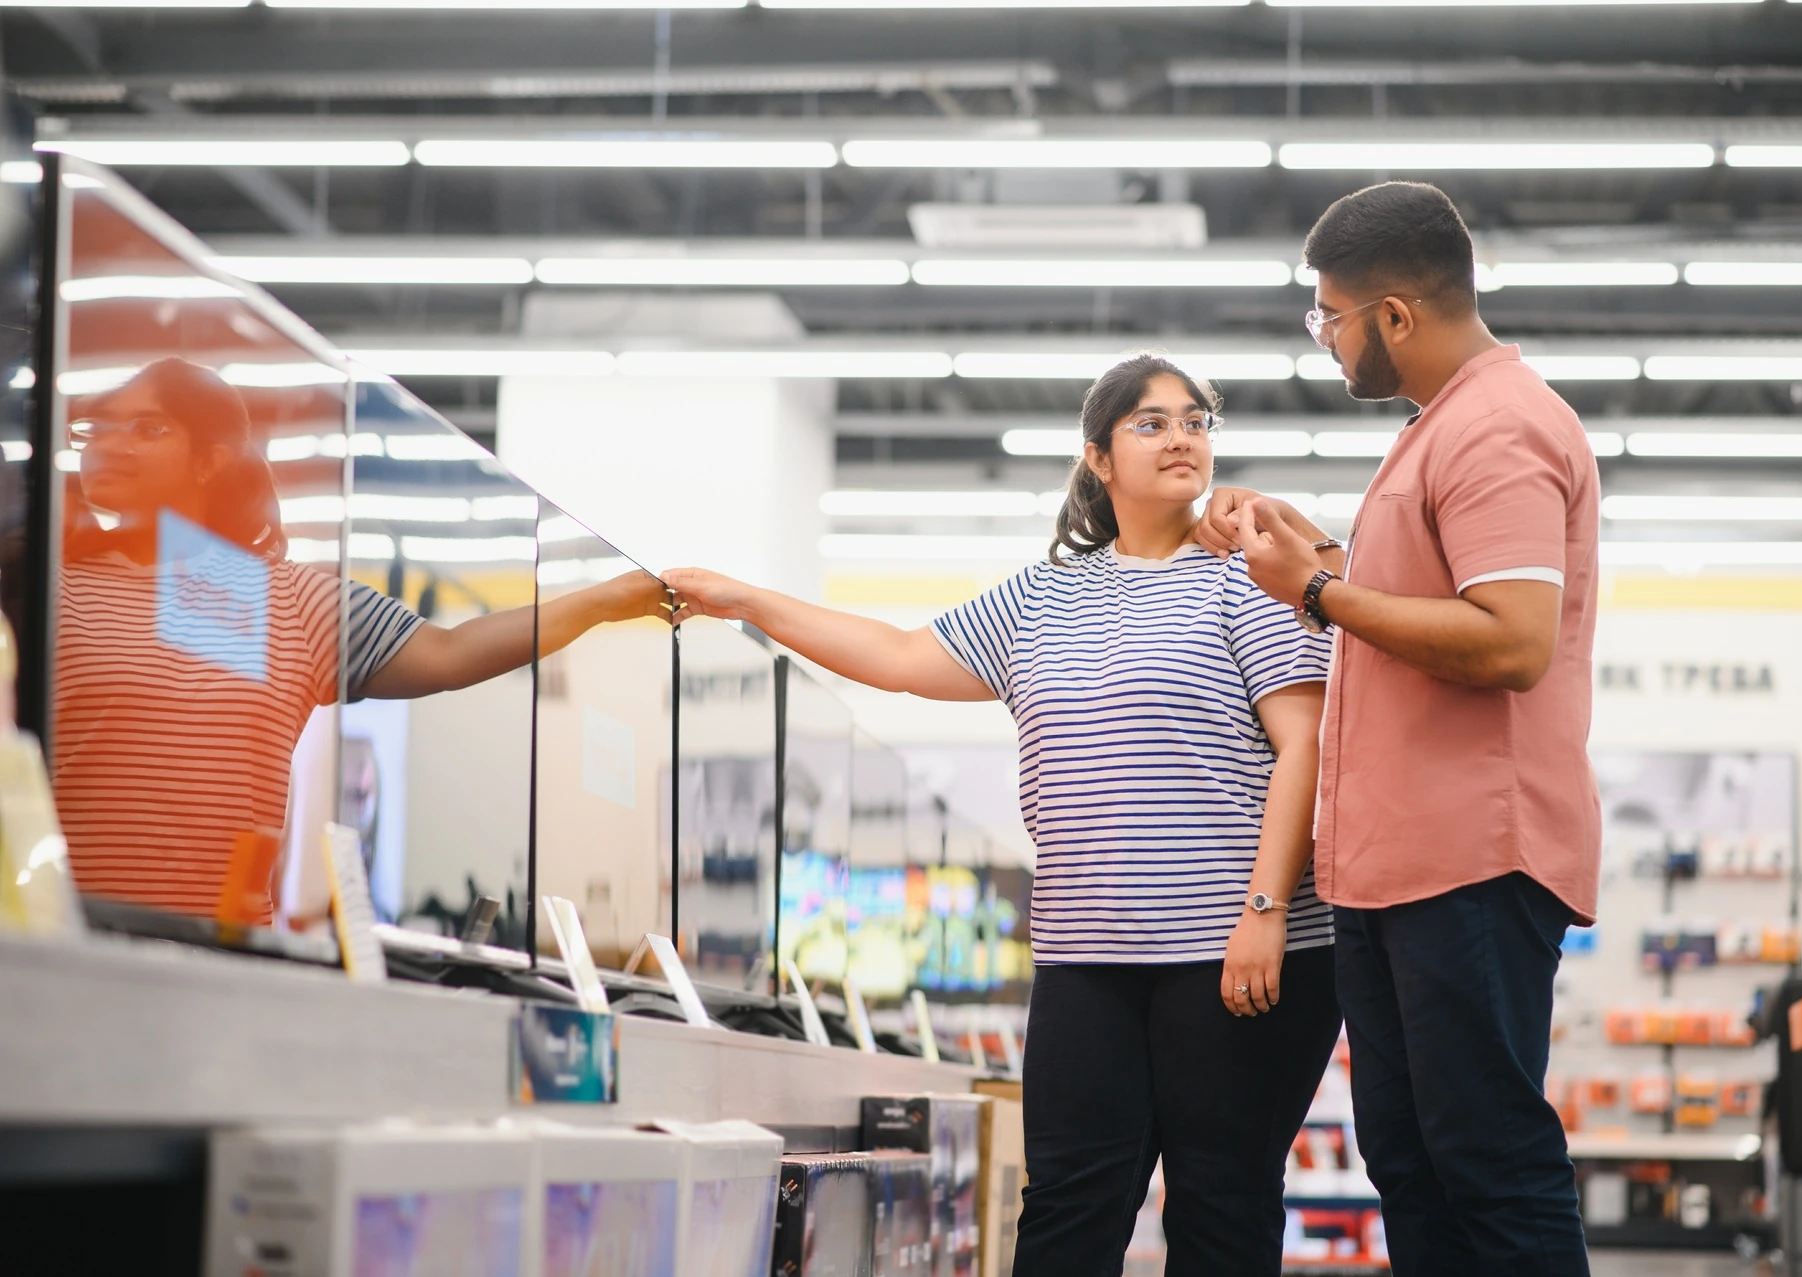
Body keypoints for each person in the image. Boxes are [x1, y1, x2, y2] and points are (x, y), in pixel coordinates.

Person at [664, 354, 1342, 1276]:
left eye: (1195, 420)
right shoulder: (1042, 596)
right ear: (1099, 457)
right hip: (1085, 951)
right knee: (1067, 1200)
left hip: (1234, 947)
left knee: (1223, 1203)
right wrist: (746, 601)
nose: (1181, 435)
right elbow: (902, 653)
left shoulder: (1246, 576)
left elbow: (1304, 747)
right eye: (1151, 422)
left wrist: (1263, 913)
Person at [1197, 181, 1600, 1276]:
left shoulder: (1500, 426)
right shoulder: (1437, 434)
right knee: (1415, 1160)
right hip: (1396, 870)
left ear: (1395, 316)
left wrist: (1317, 595)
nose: (1324, 338)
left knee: (1488, 1156)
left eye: (1329, 315)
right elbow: (1423, 601)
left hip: (1469, 858)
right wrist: (1311, 554)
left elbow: (1511, 639)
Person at [52, 356, 668, 921]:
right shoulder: (48, 591)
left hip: (222, 963)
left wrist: (602, 602)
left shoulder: (290, 600)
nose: (112, 445)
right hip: (61, 947)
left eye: (148, 428)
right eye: (98, 428)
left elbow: (449, 653)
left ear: (210, 461)